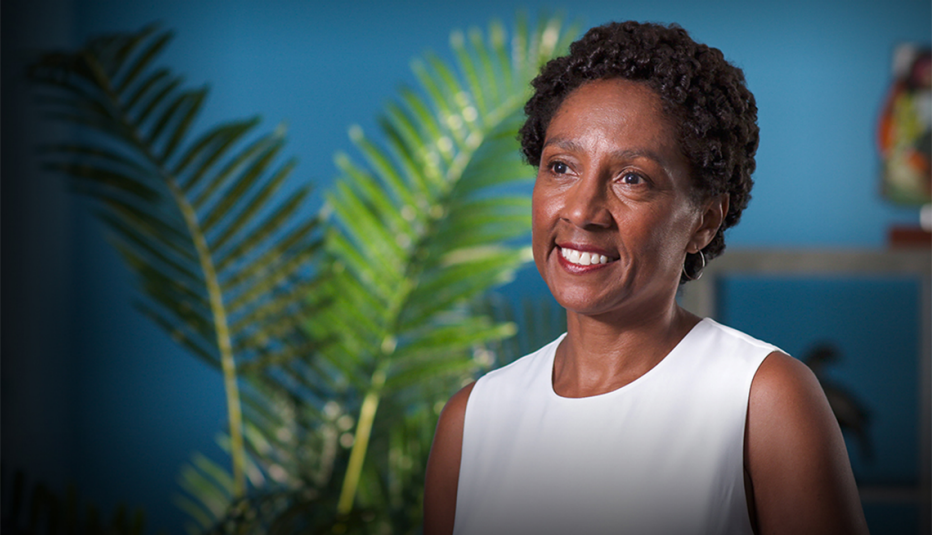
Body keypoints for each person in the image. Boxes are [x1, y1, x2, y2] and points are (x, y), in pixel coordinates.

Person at [423, 21, 869, 535]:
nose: (582, 211)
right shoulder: (472, 421)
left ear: (704, 221)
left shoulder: (761, 400)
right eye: (562, 167)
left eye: (631, 178)